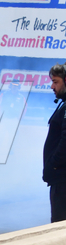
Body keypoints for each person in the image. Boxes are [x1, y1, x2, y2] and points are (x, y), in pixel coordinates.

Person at [44, 63, 66, 222]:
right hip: (60, 178)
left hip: (62, 181)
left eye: (55, 82)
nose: (52, 86)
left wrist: (52, 165)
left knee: (59, 228)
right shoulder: (63, 105)